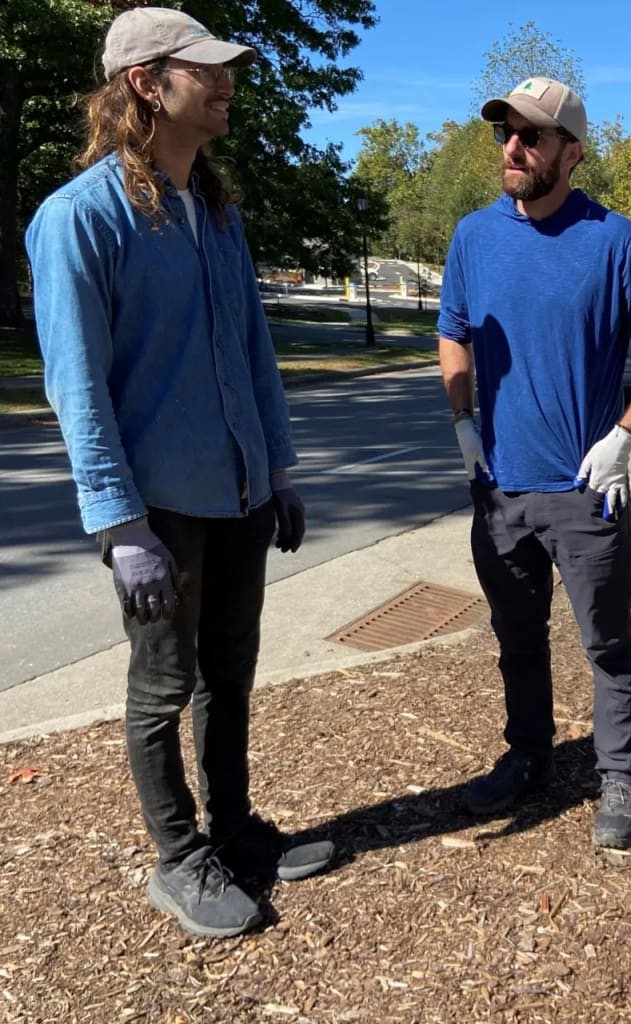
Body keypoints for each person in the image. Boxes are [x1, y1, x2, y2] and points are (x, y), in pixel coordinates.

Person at [26, 7, 333, 939]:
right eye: (205, 69)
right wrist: (119, 529)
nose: (227, 80)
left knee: (228, 677)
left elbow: (254, 353)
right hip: (157, 511)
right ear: (147, 86)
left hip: (238, 493)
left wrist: (279, 470)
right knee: (162, 689)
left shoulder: (216, 211)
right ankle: (179, 856)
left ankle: (236, 831)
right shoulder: (79, 219)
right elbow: (76, 386)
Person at [438, 77, 631, 850]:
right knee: (516, 638)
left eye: (532, 136)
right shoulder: (473, 238)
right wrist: (463, 424)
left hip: (585, 494)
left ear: (571, 152)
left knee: (607, 643)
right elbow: (453, 329)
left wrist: (623, 437)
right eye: (505, 134)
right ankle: (528, 755)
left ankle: (619, 775)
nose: (513, 148)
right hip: (499, 491)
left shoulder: (615, 241)